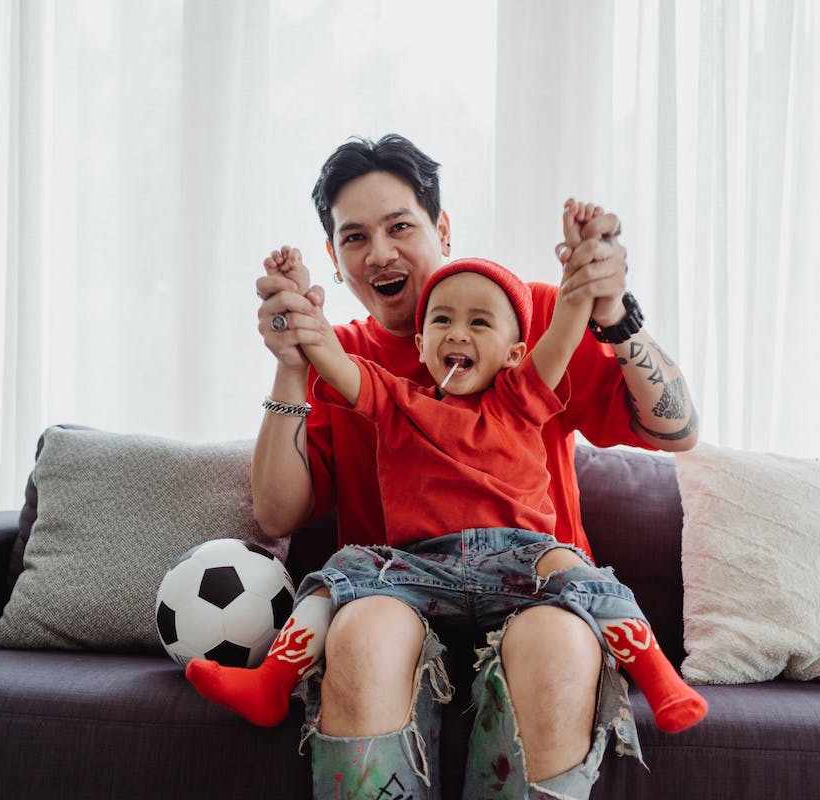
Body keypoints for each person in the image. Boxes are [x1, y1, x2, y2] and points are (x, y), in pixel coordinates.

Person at [228, 135, 698, 799]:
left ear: (441, 229)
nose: (381, 252)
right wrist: (291, 362)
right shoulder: (344, 359)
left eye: (400, 226)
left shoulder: (518, 321)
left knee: (558, 648)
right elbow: (277, 513)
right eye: (355, 237)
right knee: (362, 633)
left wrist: (613, 313)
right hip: (401, 593)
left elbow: (676, 428)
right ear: (334, 260)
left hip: (532, 587)